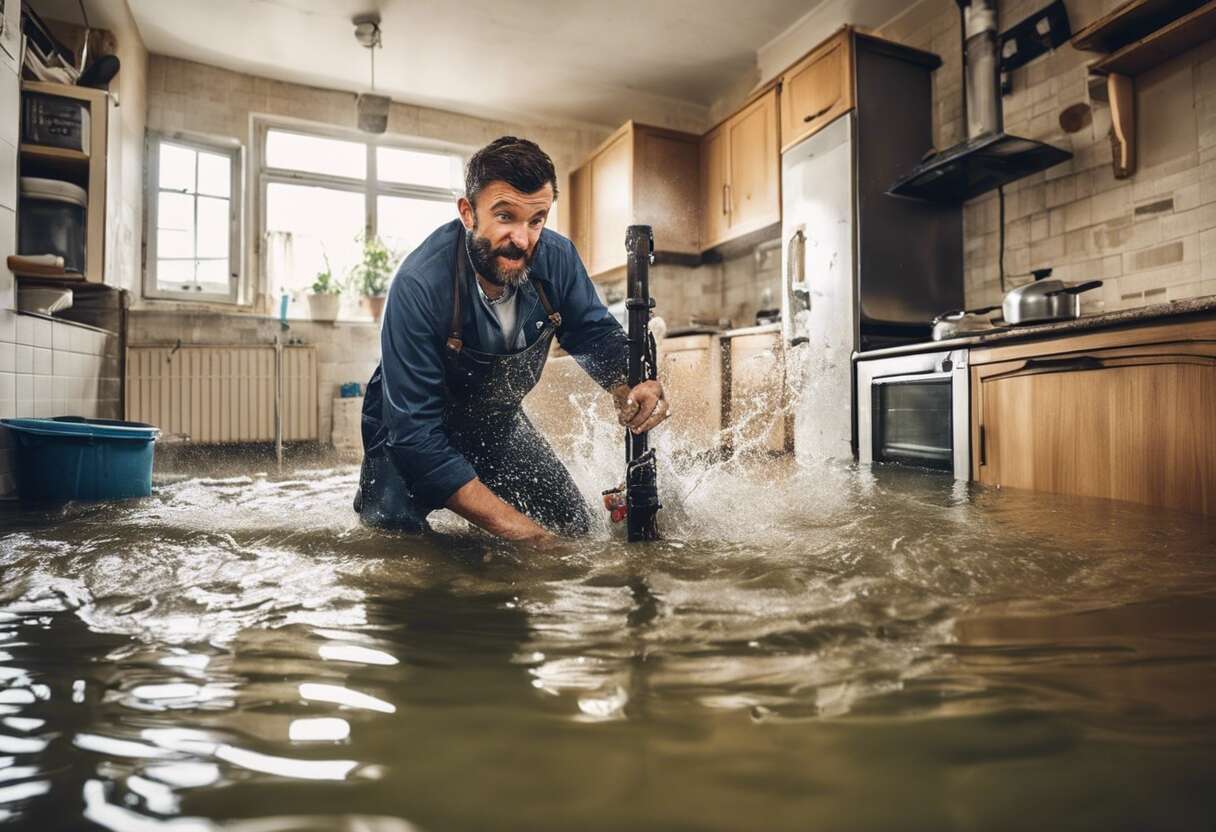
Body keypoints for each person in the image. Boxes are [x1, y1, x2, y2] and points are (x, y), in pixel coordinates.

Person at [354, 136, 670, 544]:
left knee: (573, 528)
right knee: (396, 549)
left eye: (536, 220)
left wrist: (627, 382)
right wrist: (528, 536)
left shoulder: (556, 259)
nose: (522, 239)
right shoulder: (418, 284)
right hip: (409, 434)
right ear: (468, 213)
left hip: (496, 426)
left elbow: (592, 333)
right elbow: (415, 436)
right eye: (505, 217)